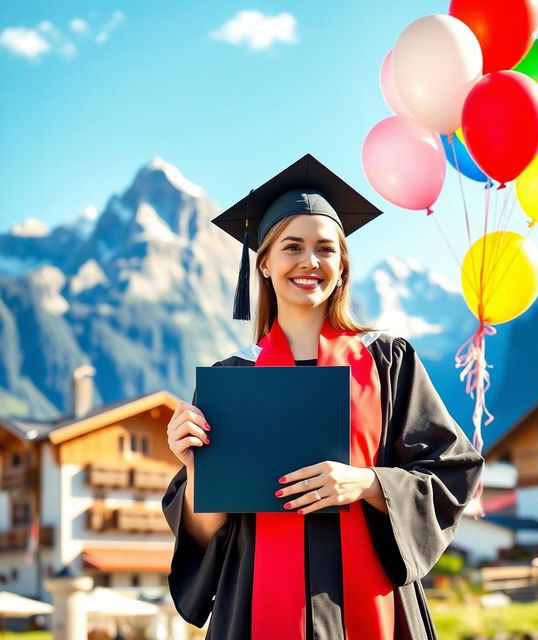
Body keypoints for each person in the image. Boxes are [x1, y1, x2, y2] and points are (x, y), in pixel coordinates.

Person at [162, 153, 484, 640]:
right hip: (256, 609)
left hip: (373, 606)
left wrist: (369, 483)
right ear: (264, 263)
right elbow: (207, 535)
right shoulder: (232, 379)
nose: (310, 261)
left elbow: (451, 472)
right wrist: (196, 472)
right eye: (292, 247)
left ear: (342, 265)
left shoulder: (388, 361)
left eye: (325, 249)